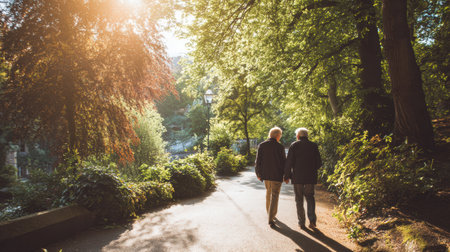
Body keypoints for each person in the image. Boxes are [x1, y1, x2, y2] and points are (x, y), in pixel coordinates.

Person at [284, 128, 322, 229]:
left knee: (299, 200)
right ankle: (312, 221)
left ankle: (301, 222)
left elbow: (289, 163)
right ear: (307, 135)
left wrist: (287, 176)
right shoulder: (314, 146)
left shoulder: (294, 145)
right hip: (310, 177)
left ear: (298, 136)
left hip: (298, 178)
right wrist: (311, 169)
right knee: (310, 198)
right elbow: (319, 163)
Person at [255, 127, 286, 227]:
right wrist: (286, 175)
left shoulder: (262, 145)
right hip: (277, 175)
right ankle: (271, 217)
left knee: (268, 193)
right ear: (278, 136)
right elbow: (284, 162)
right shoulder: (280, 147)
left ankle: (269, 212)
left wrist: (258, 174)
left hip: (266, 175)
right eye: (280, 135)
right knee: (275, 195)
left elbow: (258, 161)